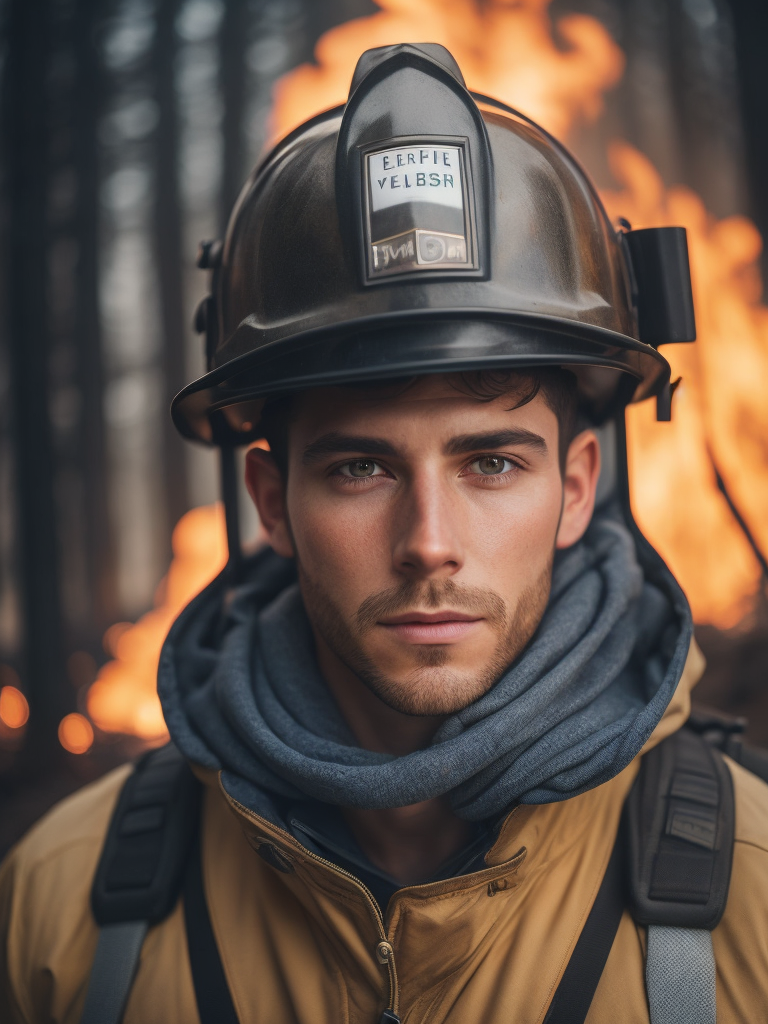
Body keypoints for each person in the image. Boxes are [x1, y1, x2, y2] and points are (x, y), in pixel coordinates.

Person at [2, 42, 768, 1024]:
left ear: (577, 488)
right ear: (272, 500)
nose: (429, 542)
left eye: (492, 463)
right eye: (360, 467)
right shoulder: (60, 907)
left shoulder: (751, 894)